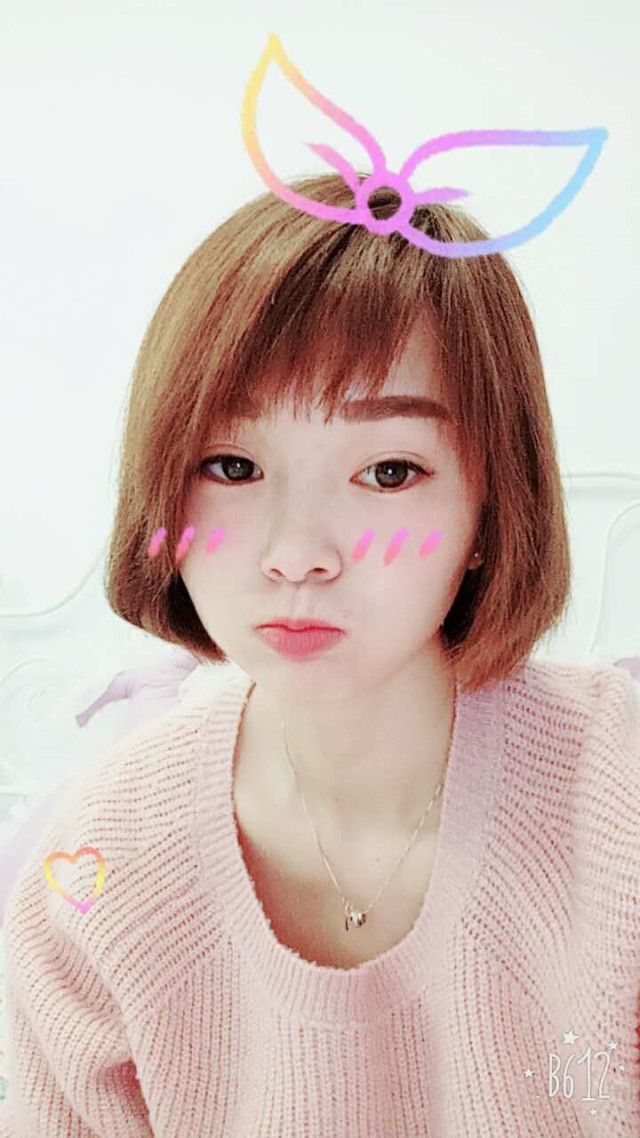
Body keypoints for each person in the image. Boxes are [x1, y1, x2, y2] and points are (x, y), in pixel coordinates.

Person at [0, 174, 638, 1137]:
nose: (297, 554)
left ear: (490, 507)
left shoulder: (616, 799)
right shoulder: (101, 868)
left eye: (388, 470)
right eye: (233, 466)